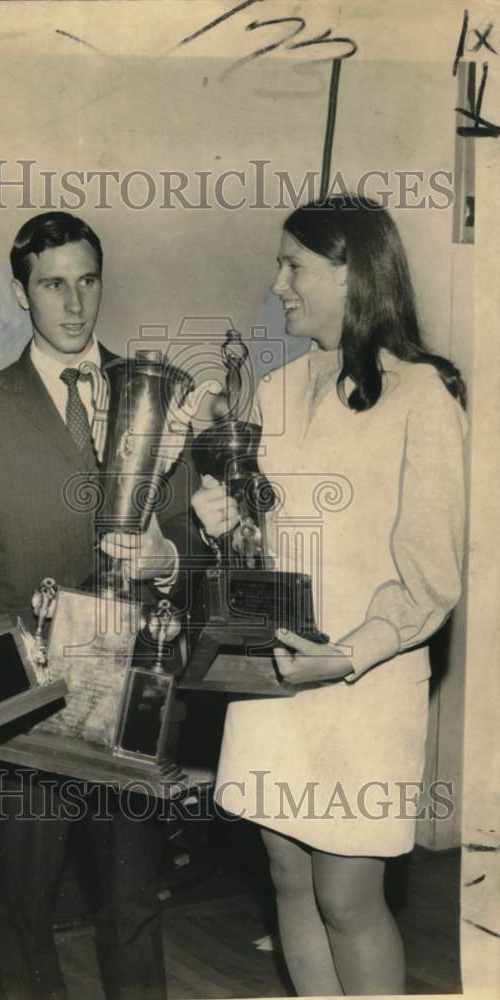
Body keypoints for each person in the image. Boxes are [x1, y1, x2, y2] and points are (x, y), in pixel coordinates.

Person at [191, 195, 466, 996]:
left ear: (353, 273)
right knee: (286, 872)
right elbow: (263, 546)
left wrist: (341, 658)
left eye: (295, 266)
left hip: (363, 681)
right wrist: (223, 525)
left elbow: (431, 576)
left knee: (348, 896)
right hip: (275, 673)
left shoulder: (422, 397)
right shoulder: (274, 395)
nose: (278, 283)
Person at [0, 211, 192, 1000]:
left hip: (133, 703)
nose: (75, 302)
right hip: (27, 711)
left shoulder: (157, 394)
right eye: (53, 284)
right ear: (22, 293)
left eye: (88, 281)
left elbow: (190, 536)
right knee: (22, 911)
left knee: (132, 904)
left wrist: (170, 557)